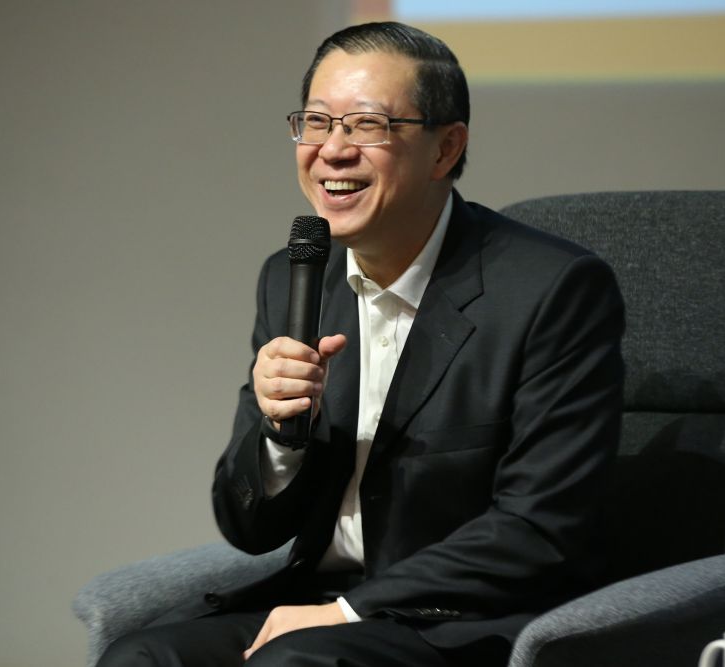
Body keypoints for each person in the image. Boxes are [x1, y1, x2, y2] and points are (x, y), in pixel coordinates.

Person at [99, 21, 624, 667]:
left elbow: (540, 525)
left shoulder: (550, 289)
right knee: (141, 657)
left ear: (445, 148)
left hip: (465, 623)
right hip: (317, 605)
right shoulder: (295, 277)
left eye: (367, 125)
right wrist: (280, 435)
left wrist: (351, 611)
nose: (332, 150)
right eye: (316, 122)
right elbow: (249, 527)